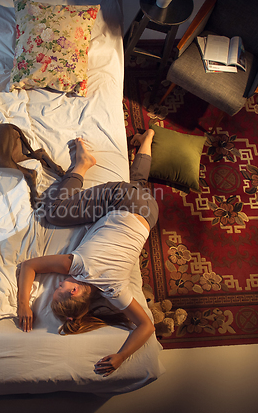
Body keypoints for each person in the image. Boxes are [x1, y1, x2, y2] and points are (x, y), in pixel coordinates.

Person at [17, 129, 158, 377]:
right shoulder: (79, 267)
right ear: (75, 290)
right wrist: (23, 306)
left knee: (139, 185)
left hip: (150, 213)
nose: (57, 283)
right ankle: (82, 164)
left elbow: (146, 326)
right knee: (54, 212)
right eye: (59, 288)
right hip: (122, 200)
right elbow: (29, 266)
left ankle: (147, 140)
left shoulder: (115, 291)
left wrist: (122, 356)